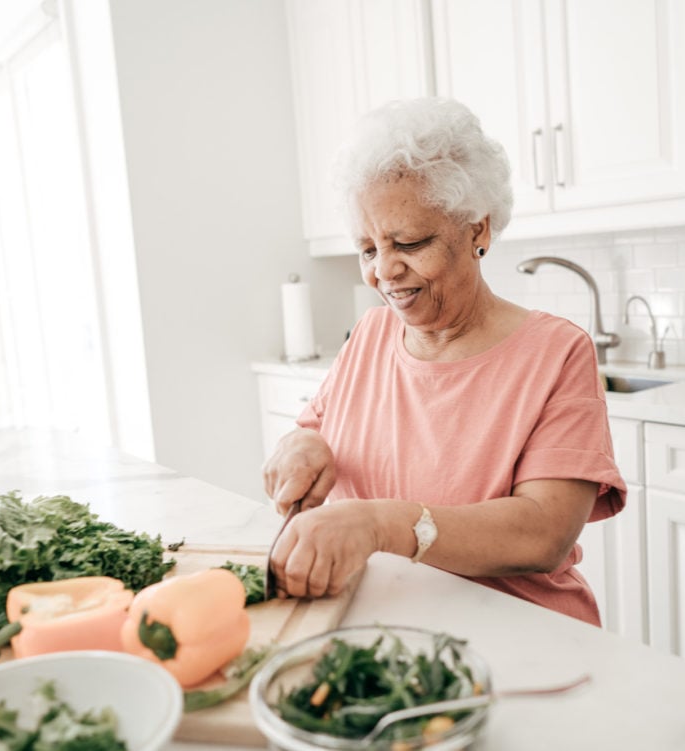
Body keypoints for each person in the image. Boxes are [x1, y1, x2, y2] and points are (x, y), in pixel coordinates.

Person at [263, 97, 626, 627]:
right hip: (382, 620)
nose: (384, 272)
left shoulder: (557, 353)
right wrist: (300, 445)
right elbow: (316, 429)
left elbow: (543, 533)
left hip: (517, 631)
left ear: (477, 229)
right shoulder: (370, 333)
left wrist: (379, 525)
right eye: (368, 250)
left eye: (409, 242)